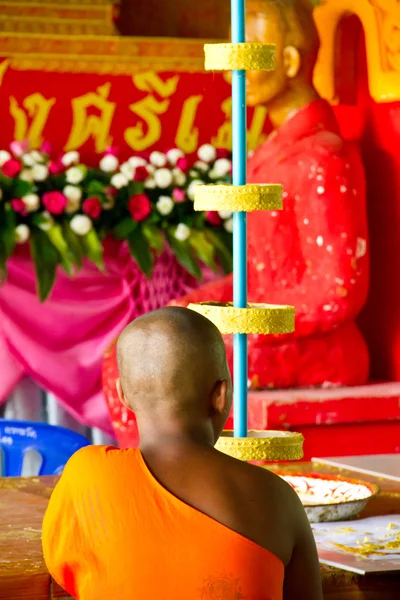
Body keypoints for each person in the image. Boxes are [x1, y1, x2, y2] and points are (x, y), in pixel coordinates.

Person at [42, 307, 323, 600]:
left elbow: (67, 573)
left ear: (122, 394)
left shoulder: (86, 475)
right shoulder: (276, 499)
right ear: (221, 395)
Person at [172, 0, 370, 390]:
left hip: (319, 348)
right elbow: (258, 276)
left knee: (182, 364)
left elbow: (336, 293)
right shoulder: (272, 152)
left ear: (291, 62)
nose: (233, 71)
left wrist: (241, 321)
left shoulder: (322, 156)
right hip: (266, 330)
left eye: (246, 56)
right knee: (152, 339)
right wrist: (192, 308)